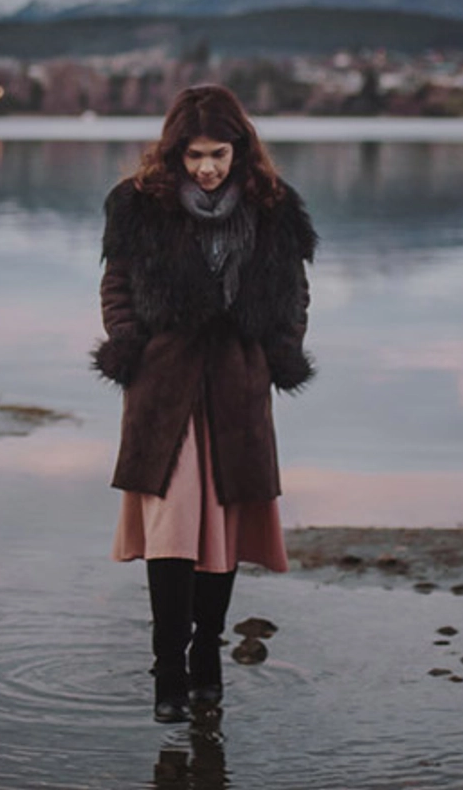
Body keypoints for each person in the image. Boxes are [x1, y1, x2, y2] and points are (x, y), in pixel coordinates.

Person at [93, 84, 316, 723]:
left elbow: (295, 295)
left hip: (237, 385)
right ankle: (168, 667)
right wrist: (130, 345)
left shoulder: (274, 211)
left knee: (222, 532)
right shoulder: (139, 207)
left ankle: (208, 657)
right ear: (175, 153)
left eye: (218, 153)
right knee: (171, 527)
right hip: (164, 386)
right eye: (194, 155)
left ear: (240, 149)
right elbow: (116, 289)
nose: (207, 168)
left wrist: (278, 354)